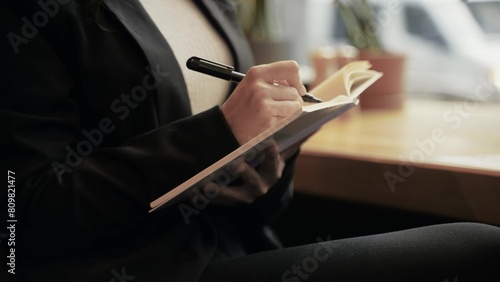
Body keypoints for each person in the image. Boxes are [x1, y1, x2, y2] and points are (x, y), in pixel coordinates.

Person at [1, 0, 499, 281]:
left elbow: (231, 169)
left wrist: (264, 176)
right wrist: (216, 134)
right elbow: (19, 217)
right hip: (141, 269)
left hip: (230, 247)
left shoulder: (213, 4)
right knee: (478, 248)